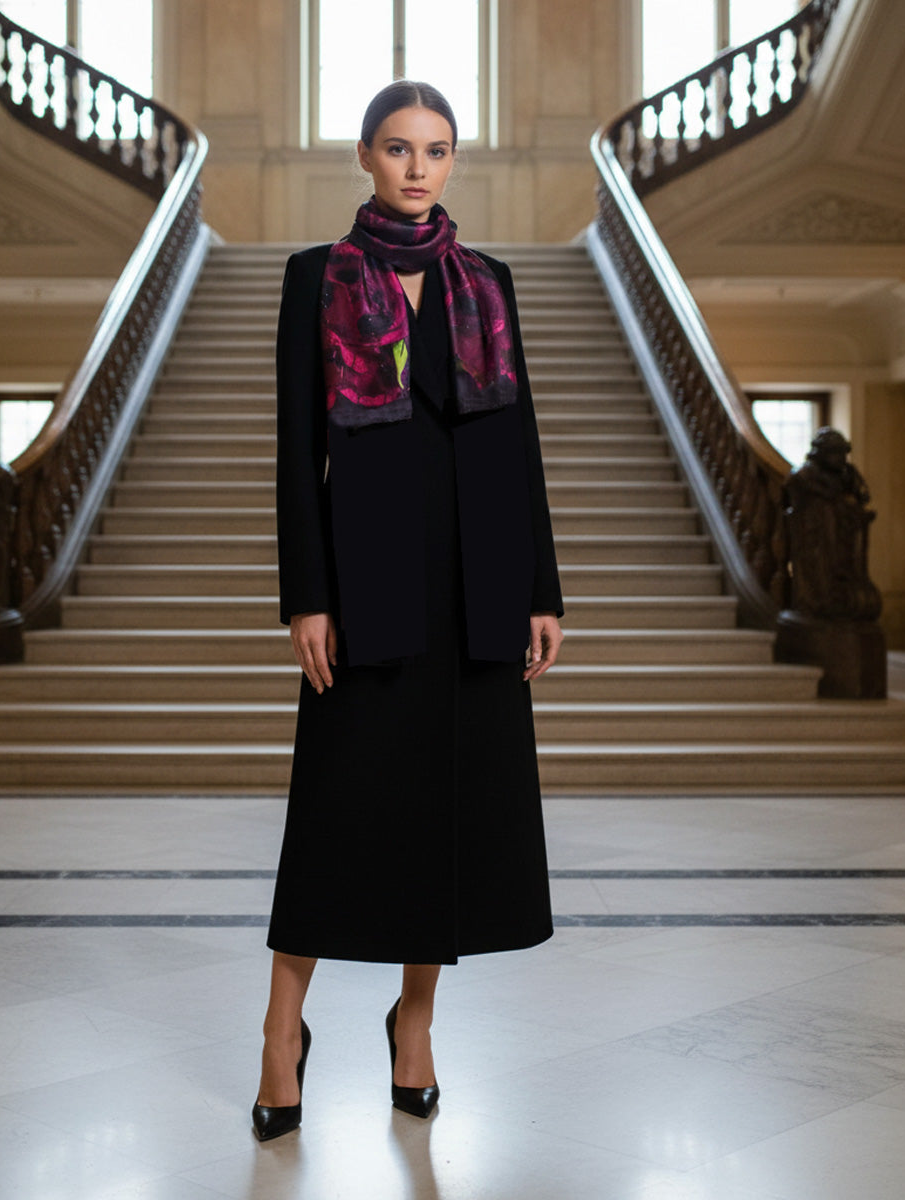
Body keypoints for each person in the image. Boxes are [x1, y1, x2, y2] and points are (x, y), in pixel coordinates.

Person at [253, 80, 564, 1142]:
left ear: (453, 160)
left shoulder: (489, 281)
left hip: (481, 579)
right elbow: (297, 450)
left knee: (450, 812)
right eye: (398, 148)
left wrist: (541, 590)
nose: (417, 167)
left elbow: (519, 442)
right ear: (365, 156)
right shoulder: (317, 277)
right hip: (367, 573)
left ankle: (415, 1023)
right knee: (335, 806)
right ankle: (281, 1030)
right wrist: (307, 596)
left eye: (435, 149)